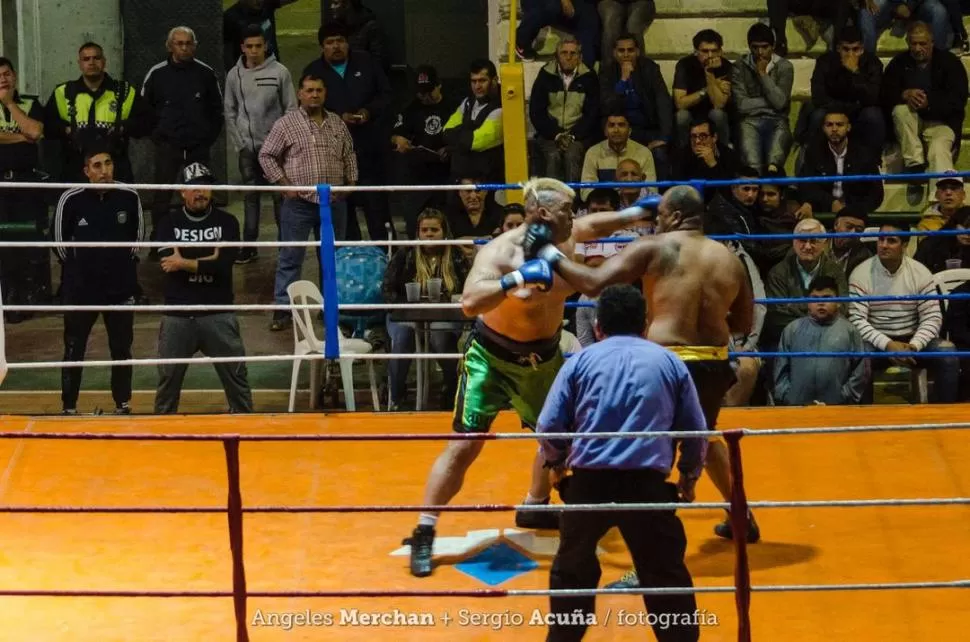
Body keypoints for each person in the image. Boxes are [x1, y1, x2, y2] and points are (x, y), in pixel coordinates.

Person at [404, 177, 663, 578]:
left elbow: (602, 223)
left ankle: (536, 504)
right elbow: (470, 303)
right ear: (543, 213)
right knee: (464, 446)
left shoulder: (568, 234)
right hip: (490, 358)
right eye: (567, 210)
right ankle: (425, 529)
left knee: (559, 438)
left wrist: (638, 212)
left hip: (541, 360)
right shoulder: (501, 252)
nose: (575, 217)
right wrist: (515, 280)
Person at [531, 184, 760, 590]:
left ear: (670, 216)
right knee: (702, 436)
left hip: (667, 364)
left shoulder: (656, 247)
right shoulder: (730, 258)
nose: (654, 221)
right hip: (714, 363)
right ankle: (742, 516)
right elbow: (743, 322)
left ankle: (648, 563)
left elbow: (593, 283)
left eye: (658, 215)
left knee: (653, 458)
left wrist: (548, 253)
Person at [537, 284, 706, 642]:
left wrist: (556, 463)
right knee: (665, 575)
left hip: (588, 482)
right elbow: (695, 427)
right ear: (645, 325)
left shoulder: (580, 362)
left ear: (598, 326)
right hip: (647, 483)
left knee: (572, 573)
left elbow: (549, 424)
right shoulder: (669, 361)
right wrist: (689, 475)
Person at [154, 163, 254, 414]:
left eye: (205, 186)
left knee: (238, 380)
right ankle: (158, 440)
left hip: (218, 312)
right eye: (194, 187)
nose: (201, 192)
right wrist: (208, 259)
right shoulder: (167, 223)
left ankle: (247, 433)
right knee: (167, 385)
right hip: (178, 313)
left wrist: (184, 261)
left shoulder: (228, 222)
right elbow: (168, 263)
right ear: (182, 192)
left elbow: (223, 265)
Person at [52, 144, 144, 415]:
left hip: (119, 287)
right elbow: (58, 242)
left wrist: (114, 267)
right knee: (73, 347)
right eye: (97, 166)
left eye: (108, 163)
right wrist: (82, 268)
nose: (105, 171)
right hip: (80, 289)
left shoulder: (129, 196)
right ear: (86, 171)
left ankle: (122, 404)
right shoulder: (71, 199)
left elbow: (136, 242)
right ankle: (69, 406)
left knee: (121, 348)